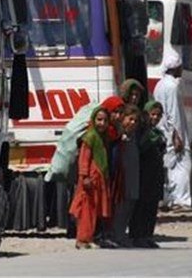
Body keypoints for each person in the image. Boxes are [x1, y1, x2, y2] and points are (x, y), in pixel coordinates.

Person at [153, 50, 192, 209]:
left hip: (163, 130)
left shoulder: (160, 84)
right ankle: (179, 200)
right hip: (173, 133)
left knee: (169, 166)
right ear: (176, 68)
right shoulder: (172, 86)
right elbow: (173, 114)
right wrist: (177, 136)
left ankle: (169, 198)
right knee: (182, 165)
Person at [70, 106, 112, 249]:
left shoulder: (103, 137)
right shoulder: (90, 137)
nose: (102, 123)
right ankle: (82, 239)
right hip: (90, 180)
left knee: (95, 211)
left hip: (99, 180)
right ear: (93, 120)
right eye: (99, 120)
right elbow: (84, 159)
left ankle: (90, 238)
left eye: (105, 120)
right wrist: (85, 176)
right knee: (87, 211)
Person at [130, 100, 167, 248]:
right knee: (141, 206)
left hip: (155, 174)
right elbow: (141, 147)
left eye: (158, 115)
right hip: (143, 174)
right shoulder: (141, 131)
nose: (155, 118)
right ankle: (137, 235)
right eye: (153, 114)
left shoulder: (157, 132)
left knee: (152, 206)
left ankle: (147, 235)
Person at [109, 104, 142, 247]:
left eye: (136, 120)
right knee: (120, 207)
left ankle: (121, 234)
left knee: (129, 205)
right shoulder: (118, 136)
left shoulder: (134, 136)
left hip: (132, 177)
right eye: (130, 119)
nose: (133, 123)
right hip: (121, 179)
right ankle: (116, 234)